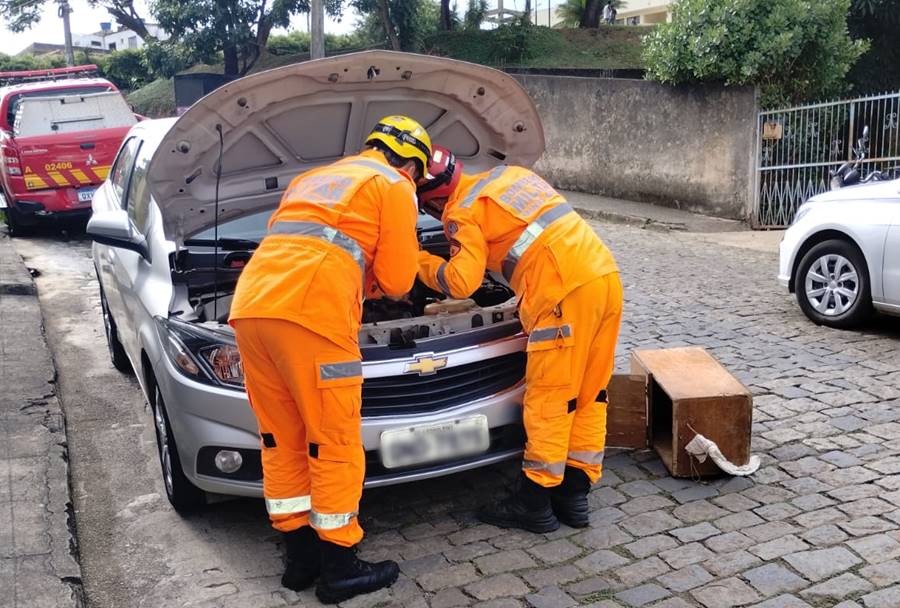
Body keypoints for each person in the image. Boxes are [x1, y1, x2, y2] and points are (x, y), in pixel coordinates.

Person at [229, 116, 431, 604]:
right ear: (411, 163)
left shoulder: (314, 178)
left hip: (252, 308)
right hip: (312, 315)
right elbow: (400, 279)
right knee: (334, 440)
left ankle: (299, 560)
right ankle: (341, 566)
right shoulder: (394, 184)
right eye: (418, 176)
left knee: (281, 437)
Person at [415, 146, 623, 532]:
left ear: (434, 201)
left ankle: (534, 501)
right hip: (603, 278)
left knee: (550, 397)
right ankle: (574, 494)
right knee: (590, 391)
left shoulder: (461, 211)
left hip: (560, 294)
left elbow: (462, 282)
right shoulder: (511, 177)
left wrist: (418, 260)